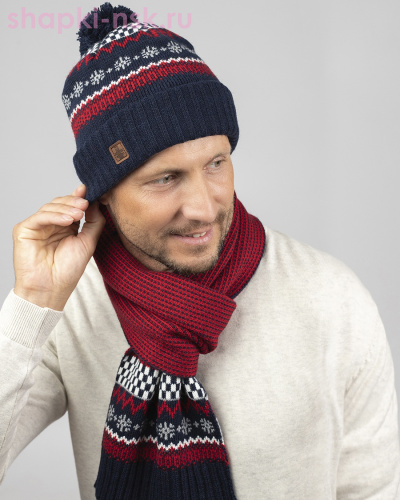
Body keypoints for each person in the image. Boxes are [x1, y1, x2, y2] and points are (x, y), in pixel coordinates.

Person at [1, 3, 399, 499]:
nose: (204, 208)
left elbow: (374, 489)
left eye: (216, 163)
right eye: (165, 178)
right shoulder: (70, 308)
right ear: (103, 195)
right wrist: (34, 301)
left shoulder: (331, 298)